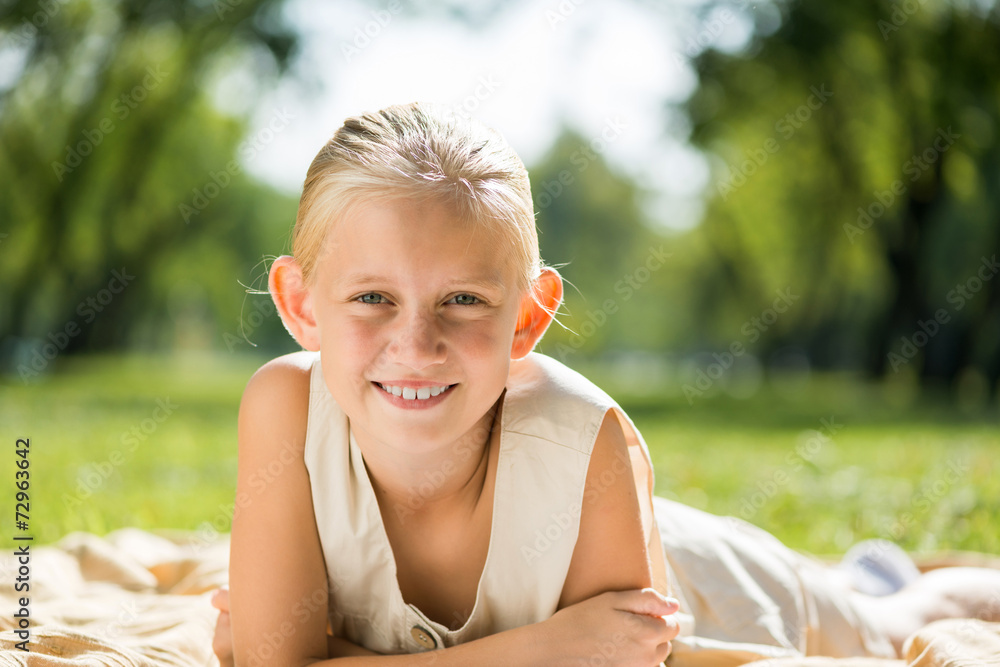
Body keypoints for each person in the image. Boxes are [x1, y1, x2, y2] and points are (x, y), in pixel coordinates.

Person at [212, 102, 1000, 666]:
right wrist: (544, 650)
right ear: (299, 305)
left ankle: (876, 587)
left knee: (889, 623)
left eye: (464, 299)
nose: (415, 343)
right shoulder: (285, 409)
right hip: (579, 590)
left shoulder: (584, 434)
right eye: (372, 298)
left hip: (701, 587)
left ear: (527, 317)